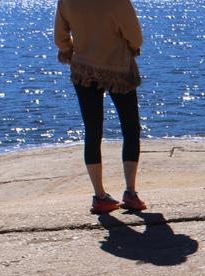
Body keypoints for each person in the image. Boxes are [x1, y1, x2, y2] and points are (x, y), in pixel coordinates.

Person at [55, 0, 147, 214]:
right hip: (118, 68)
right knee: (130, 128)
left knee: (93, 130)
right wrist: (132, 49)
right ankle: (130, 192)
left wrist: (69, 50)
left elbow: (60, 36)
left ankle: (99, 195)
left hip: (84, 69)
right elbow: (135, 36)